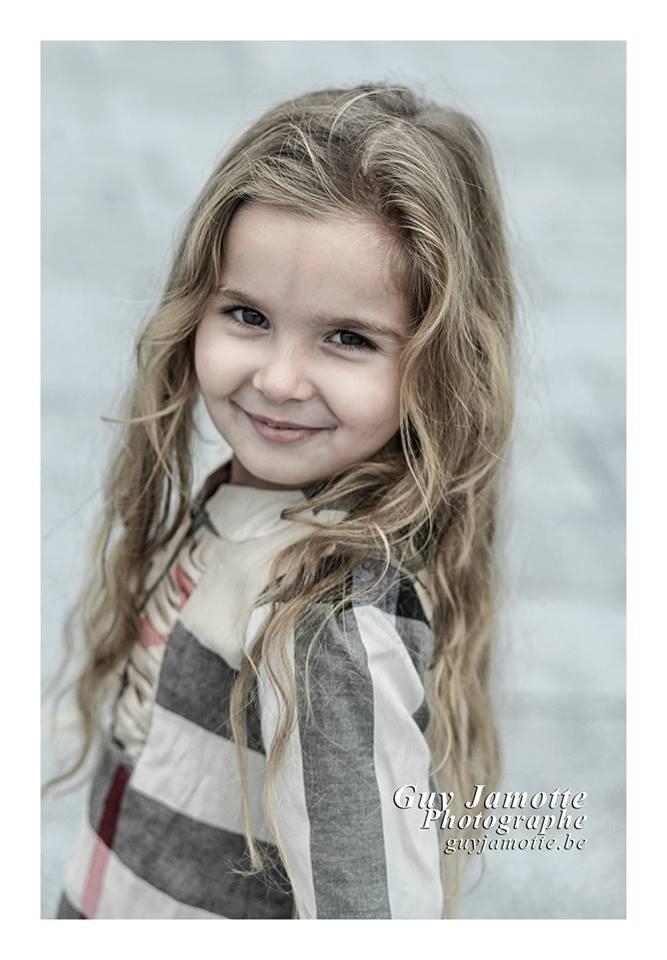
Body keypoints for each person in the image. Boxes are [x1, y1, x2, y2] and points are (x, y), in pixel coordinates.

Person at [43, 81, 516, 919]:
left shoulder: (325, 628)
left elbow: (369, 915)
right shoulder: (242, 505)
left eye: (347, 338)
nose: (279, 379)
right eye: (248, 316)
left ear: (438, 364)